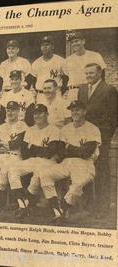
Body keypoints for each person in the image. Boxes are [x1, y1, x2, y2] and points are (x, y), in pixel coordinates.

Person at [38, 100, 101, 221]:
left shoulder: (92, 128)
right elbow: (61, 152)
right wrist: (76, 149)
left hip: (85, 164)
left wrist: (69, 147)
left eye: (77, 109)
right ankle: (56, 208)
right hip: (66, 162)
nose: (74, 112)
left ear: (84, 111)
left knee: (77, 184)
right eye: (72, 110)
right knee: (45, 174)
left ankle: (63, 208)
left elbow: (86, 153)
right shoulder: (65, 129)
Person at [5, 104, 61, 219]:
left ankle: (28, 205)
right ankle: (23, 205)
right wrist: (39, 149)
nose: (37, 116)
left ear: (47, 114)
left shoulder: (54, 130)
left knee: (38, 176)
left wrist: (33, 147)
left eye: (40, 113)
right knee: (13, 170)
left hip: (48, 161)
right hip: (33, 160)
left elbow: (50, 151)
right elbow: (26, 153)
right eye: (35, 113)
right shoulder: (30, 130)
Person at [78, 63, 118, 209]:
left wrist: (105, 138)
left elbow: (114, 118)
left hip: (101, 138)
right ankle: (88, 204)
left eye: (91, 73)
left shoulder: (109, 90)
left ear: (100, 73)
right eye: (86, 73)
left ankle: (102, 206)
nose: (88, 75)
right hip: (83, 137)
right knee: (85, 168)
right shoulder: (82, 89)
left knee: (101, 170)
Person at [63, 31, 106, 102]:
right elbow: (65, 78)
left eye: (76, 41)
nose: (74, 44)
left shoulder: (95, 56)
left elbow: (102, 75)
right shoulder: (68, 60)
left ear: (83, 41)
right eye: (72, 42)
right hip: (73, 91)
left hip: (89, 90)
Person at [32, 35, 67, 101]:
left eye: (47, 45)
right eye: (42, 45)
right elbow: (33, 81)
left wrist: (62, 92)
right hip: (41, 94)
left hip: (56, 94)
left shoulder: (60, 61)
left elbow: (66, 78)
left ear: (52, 46)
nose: (44, 47)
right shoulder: (36, 63)